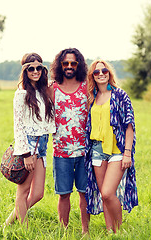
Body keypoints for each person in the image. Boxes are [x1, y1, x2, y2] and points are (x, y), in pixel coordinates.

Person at [84, 59, 138, 233]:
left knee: (108, 192)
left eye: (104, 71)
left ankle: (119, 230)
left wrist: (127, 153)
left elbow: (129, 125)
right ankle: (110, 231)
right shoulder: (91, 98)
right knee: (103, 195)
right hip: (97, 150)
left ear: (109, 73)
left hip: (117, 150)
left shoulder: (120, 95)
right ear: (92, 76)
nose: (101, 74)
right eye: (97, 72)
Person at [5, 53, 55, 225]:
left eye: (38, 68)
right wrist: (25, 153)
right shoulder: (21, 93)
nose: (35, 71)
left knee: (38, 193)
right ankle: (24, 230)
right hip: (28, 145)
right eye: (31, 68)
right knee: (24, 191)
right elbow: (17, 125)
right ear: (25, 71)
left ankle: (7, 223)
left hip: (42, 145)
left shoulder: (43, 91)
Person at [49, 48, 90, 234]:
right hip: (61, 152)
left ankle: (85, 232)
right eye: (65, 63)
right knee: (64, 194)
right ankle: (64, 232)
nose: (69, 66)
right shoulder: (52, 88)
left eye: (73, 63)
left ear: (79, 65)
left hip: (84, 151)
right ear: (60, 65)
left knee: (84, 193)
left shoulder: (86, 86)